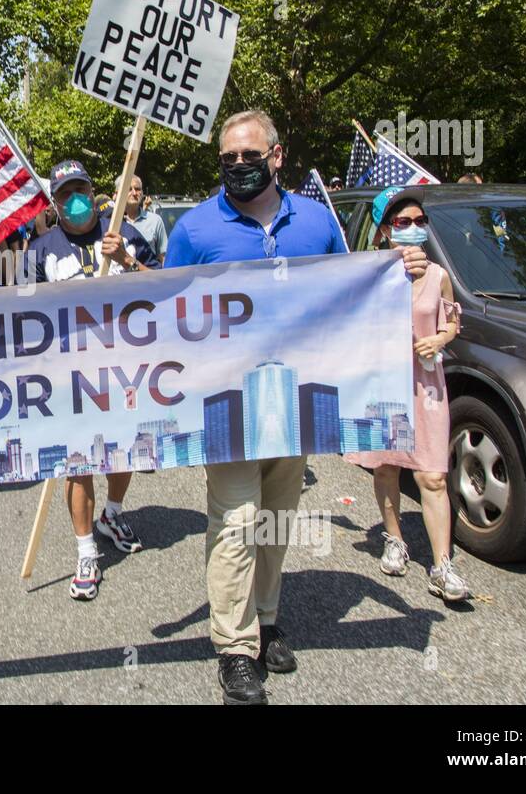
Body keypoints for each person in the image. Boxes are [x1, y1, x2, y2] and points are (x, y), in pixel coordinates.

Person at [164, 110, 428, 705]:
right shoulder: (196, 228)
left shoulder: (315, 221)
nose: (237, 165)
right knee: (234, 523)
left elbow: (352, 289)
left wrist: (398, 272)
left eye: (248, 156)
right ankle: (234, 649)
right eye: (227, 158)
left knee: (275, 520)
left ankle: (264, 618)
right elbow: (159, 311)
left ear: (276, 157)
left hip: (297, 403)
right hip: (225, 406)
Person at [27, 159, 157, 601]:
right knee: (78, 464)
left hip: (128, 371)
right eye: (64, 194)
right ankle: (86, 552)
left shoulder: (127, 232)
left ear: (92, 188)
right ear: (55, 202)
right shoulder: (42, 250)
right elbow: (21, 315)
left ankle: (112, 514)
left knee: (124, 451)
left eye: (79, 188)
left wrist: (125, 259)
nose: (74, 199)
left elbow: (167, 288)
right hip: (69, 380)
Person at [345, 187, 468, 601]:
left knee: (432, 475)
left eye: (419, 222)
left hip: (426, 384)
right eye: (402, 222)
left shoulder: (439, 276)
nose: (413, 228)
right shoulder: (371, 275)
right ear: (384, 231)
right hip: (384, 383)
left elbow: (452, 321)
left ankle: (442, 565)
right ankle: (395, 538)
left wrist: (439, 339)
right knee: (386, 468)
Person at [115, 173, 168, 263]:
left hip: (149, 275)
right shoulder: (112, 223)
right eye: (129, 189)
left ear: (142, 192)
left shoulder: (155, 221)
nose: (134, 193)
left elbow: (163, 258)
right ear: (118, 193)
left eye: (137, 189)